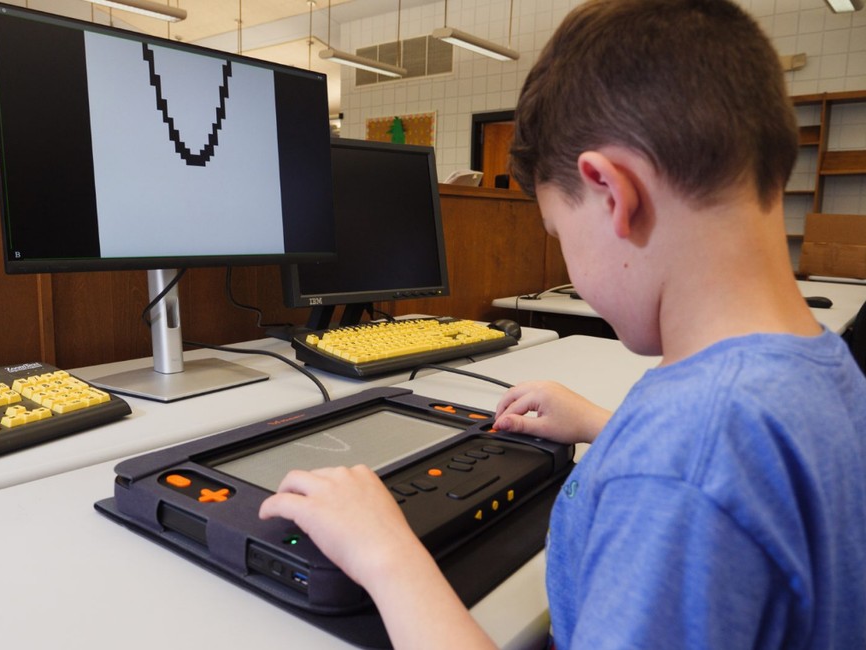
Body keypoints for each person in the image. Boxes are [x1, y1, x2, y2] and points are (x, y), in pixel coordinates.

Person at [259, 0, 866, 647]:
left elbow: (694, 478)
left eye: (560, 233)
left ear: (613, 195)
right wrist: (615, 429)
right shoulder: (825, 370)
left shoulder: (678, 472)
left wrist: (386, 555)